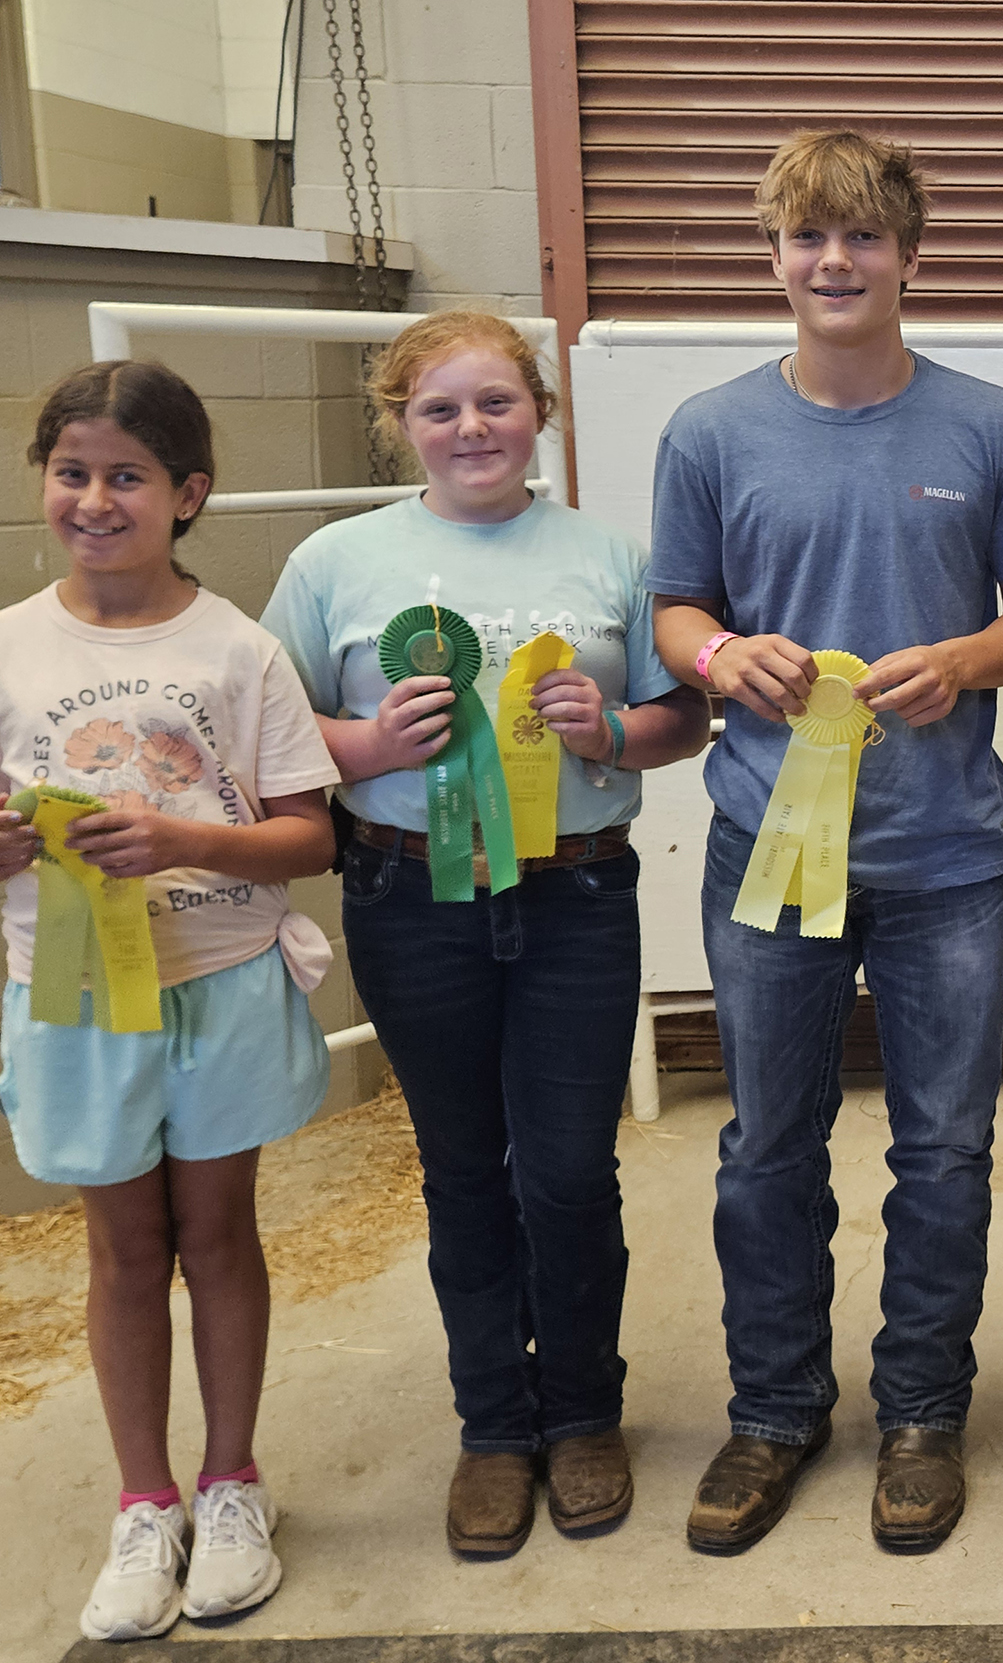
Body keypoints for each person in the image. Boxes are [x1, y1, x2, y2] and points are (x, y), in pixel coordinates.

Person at [648, 127, 1003, 1558]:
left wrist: (965, 660)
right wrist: (719, 664)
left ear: (909, 257)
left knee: (944, 1151)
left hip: (948, 856)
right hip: (771, 848)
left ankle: (921, 1415)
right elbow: (676, 611)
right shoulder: (709, 431)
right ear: (771, 258)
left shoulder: (991, 424)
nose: (836, 262)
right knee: (769, 1145)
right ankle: (772, 1410)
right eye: (807, 238)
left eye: (864, 237)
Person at [263, 311, 710, 1558]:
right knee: (464, 1173)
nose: (472, 429)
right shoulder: (335, 562)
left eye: (496, 404)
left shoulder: (612, 556)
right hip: (410, 898)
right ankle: (493, 1429)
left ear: (539, 416)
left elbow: (686, 720)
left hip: (575, 896)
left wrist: (609, 731)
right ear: (401, 422)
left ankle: (582, 1417)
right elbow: (268, 733)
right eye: (441, 409)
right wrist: (365, 746)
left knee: (570, 1172)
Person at [0, 362, 340, 1638]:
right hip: (74, 1002)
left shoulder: (239, 649)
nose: (96, 499)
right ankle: (145, 1501)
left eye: (128, 476)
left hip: (219, 983)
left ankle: (233, 1482)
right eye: (73, 472)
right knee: (122, 1250)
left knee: (220, 1235)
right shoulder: (11, 647)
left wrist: (188, 840)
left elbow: (309, 837)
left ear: (188, 494)